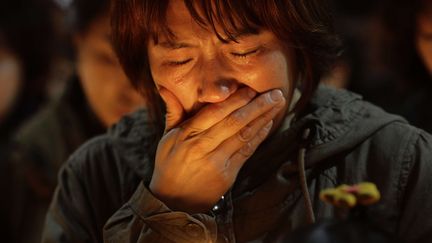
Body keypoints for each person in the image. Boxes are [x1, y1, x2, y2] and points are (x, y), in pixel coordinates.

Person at [43, 0, 432, 242]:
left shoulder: (401, 162)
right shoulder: (94, 174)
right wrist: (172, 207)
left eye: (243, 50)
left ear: (299, 53)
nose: (214, 89)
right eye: (179, 59)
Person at [3, 0, 145, 242]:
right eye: (109, 59)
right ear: (78, 41)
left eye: (154, 62)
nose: (133, 87)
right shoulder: (24, 163)